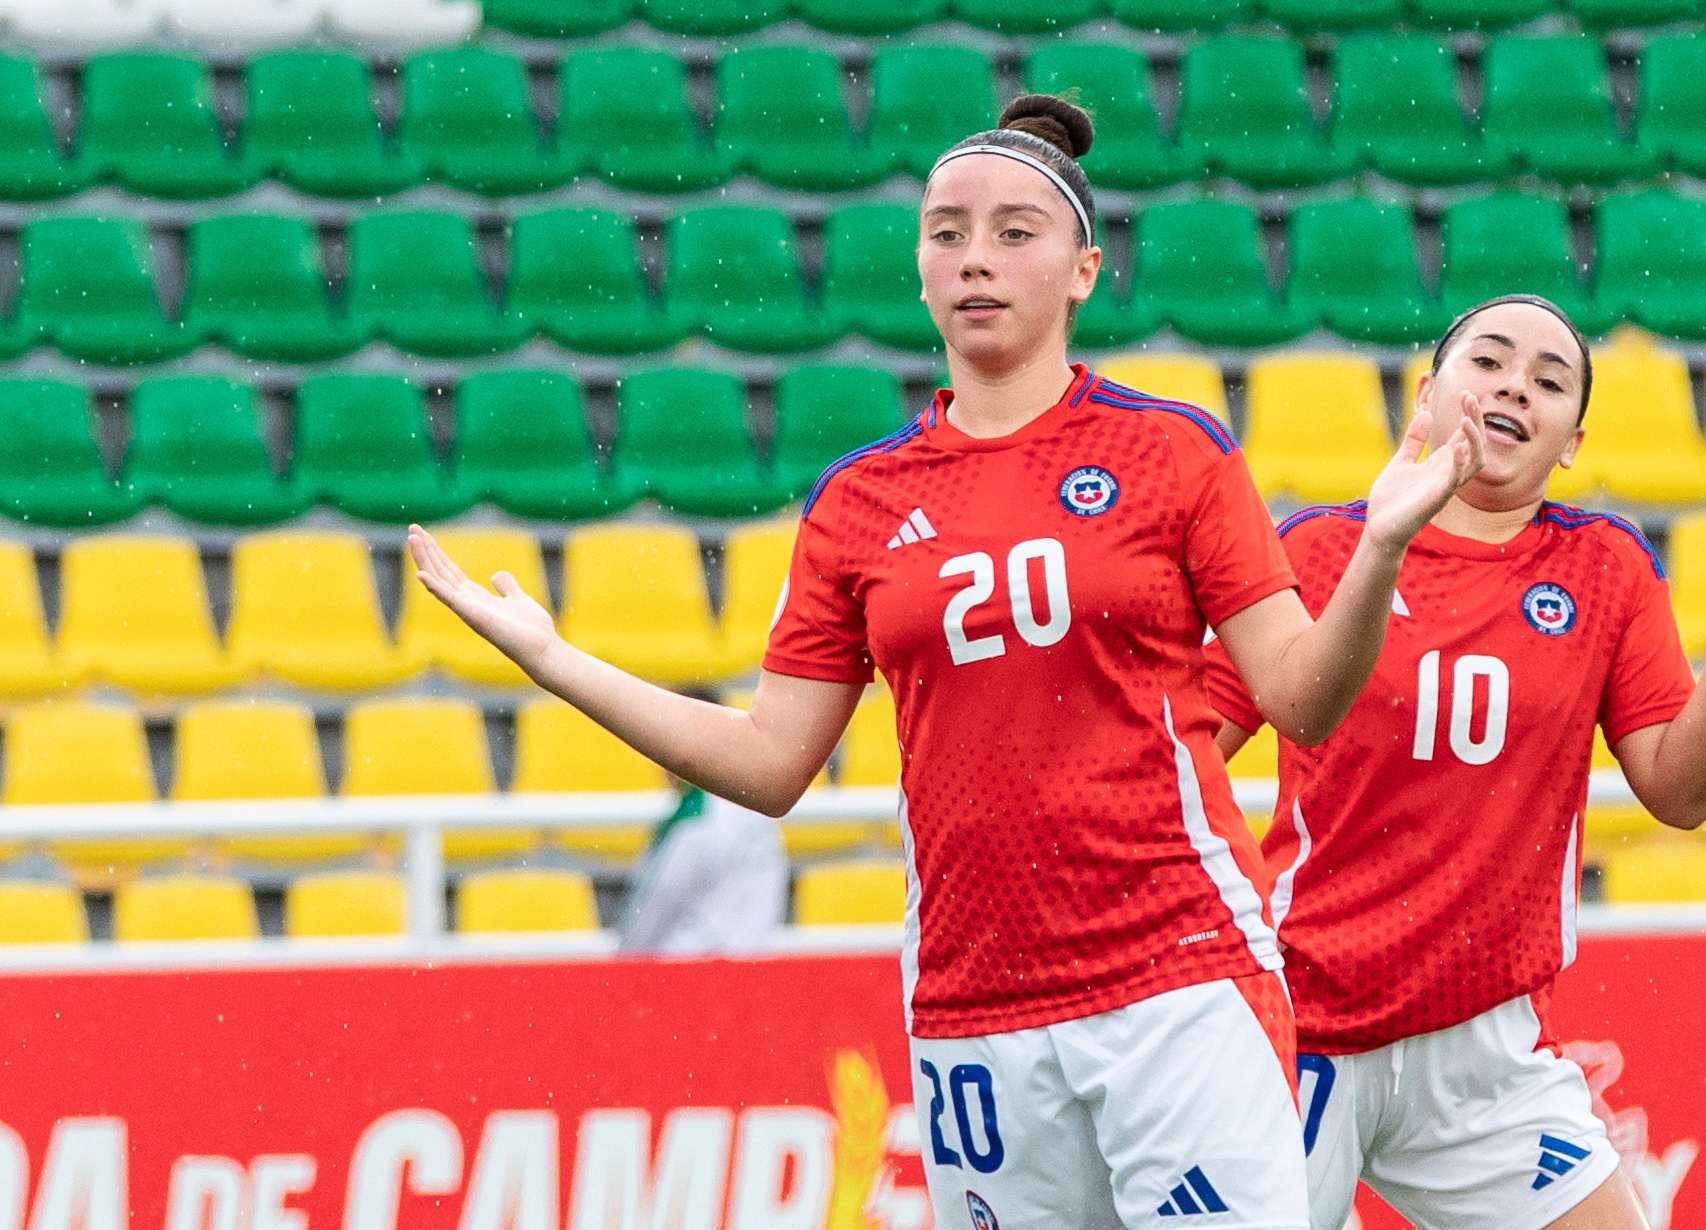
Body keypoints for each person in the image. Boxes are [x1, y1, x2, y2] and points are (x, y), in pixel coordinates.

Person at [407, 94, 1482, 1230]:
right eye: (947, 231)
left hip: (1181, 973)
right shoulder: (857, 504)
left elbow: (1301, 701)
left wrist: (1377, 549)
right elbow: (771, 763)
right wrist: (552, 659)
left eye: (1016, 232)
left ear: (1082, 269)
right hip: (975, 1009)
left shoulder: (1170, 450)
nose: (976, 258)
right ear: (918, 268)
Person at [1201, 294, 1706, 1230]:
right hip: (1300, 1033)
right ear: (1426, 394)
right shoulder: (1323, 548)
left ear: (1570, 441)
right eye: (1487, 362)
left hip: (1486, 1052)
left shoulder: (1603, 569)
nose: (1515, 385)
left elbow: (1681, 793)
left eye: (1549, 379)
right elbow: (1183, 745)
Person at [618, 785, 789, 955]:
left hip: (686, 969)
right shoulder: (760, 810)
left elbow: (648, 918)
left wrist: (624, 968)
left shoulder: (694, 817)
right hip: (751, 966)